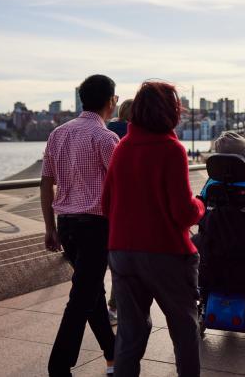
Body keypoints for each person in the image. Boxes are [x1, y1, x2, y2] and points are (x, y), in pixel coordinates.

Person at [102, 80, 205, 377]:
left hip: (122, 252)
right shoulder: (171, 149)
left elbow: (106, 204)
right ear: (169, 111)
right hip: (166, 254)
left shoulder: (122, 148)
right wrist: (200, 205)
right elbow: (183, 212)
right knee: (184, 329)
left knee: (130, 335)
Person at [41, 74, 119, 377]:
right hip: (96, 226)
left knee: (91, 294)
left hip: (67, 225)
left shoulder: (58, 133)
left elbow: (46, 182)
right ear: (110, 101)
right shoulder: (106, 138)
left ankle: (113, 355)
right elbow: (121, 187)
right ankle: (58, 367)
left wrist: (50, 228)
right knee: (82, 297)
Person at [105, 98, 132, 326]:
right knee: (121, 261)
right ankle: (115, 307)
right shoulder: (131, 135)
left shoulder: (106, 130)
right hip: (123, 205)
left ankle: (103, 307)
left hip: (100, 203)